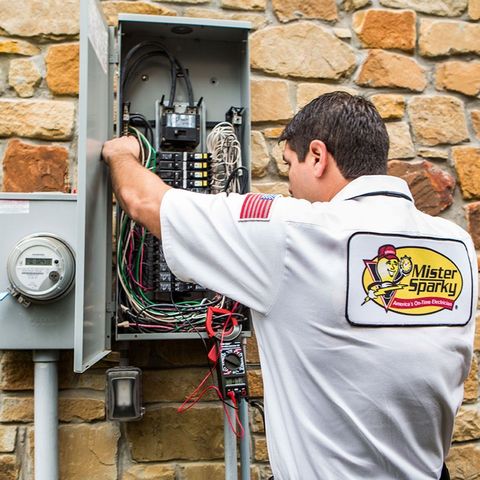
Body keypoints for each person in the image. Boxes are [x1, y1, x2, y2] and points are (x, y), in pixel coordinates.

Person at [102, 92, 477, 480]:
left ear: (317, 156)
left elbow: (144, 200)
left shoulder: (293, 232)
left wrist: (121, 153)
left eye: (288, 166)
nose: (289, 185)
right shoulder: (455, 242)